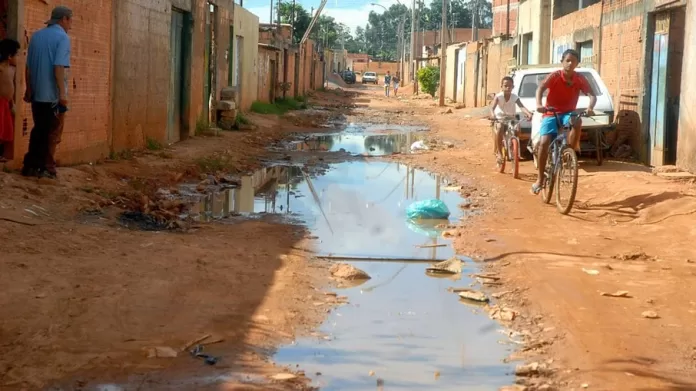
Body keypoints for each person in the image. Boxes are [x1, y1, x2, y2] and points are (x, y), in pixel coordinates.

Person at [531, 49, 596, 195]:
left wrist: (590, 107)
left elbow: (592, 94)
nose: (570, 63)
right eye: (567, 60)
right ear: (562, 61)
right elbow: (540, 88)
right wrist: (539, 104)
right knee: (544, 142)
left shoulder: (579, 79)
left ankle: (570, 151)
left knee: (577, 121)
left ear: (577, 63)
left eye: (573, 61)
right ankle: (540, 179)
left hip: (568, 113)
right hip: (551, 112)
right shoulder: (555, 76)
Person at [22, 5, 72, 179]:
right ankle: (42, 167)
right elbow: (58, 66)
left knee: (39, 129)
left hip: (36, 92)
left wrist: (29, 89)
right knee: (49, 131)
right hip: (51, 94)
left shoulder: (36, 36)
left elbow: (28, 68)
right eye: (70, 20)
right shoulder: (63, 38)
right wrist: (62, 94)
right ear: (63, 19)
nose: (70, 24)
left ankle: (30, 165)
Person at [489, 76, 532, 165]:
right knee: (500, 127)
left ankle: (515, 149)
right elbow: (492, 107)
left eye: (510, 86)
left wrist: (528, 113)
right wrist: (493, 115)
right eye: (505, 86)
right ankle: (500, 153)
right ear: (501, 86)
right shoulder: (498, 96)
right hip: (500, 118)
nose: (508, 88)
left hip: (511, 118)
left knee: (517, 129)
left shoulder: (514, 97)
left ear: (513, 87)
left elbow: (521, 106)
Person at [0, 39, 19, 162]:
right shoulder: (1, 69)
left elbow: (11, 87)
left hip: (6, 103)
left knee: (5, 129)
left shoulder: (12, 69)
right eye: (16, 54)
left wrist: (12, 103)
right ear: (9, 56)